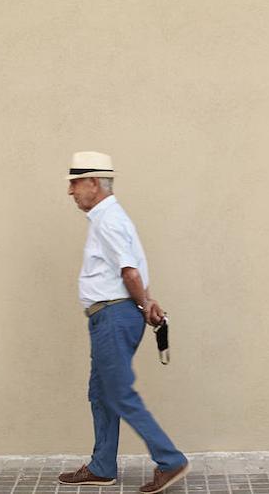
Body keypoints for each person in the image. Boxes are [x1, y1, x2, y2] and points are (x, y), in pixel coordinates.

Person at [57, 151, 191, 493]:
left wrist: (144, 301)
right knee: (101, 394)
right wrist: (147, 301)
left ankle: (170, 459)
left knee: (117, 393)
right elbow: (129, 269)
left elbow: (128, 271)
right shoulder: (110, 218)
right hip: (111, 315)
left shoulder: (108, 220)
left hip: (114, 317)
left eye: (75, 183)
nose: (71, 191)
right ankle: (102, 466)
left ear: (93, 183)